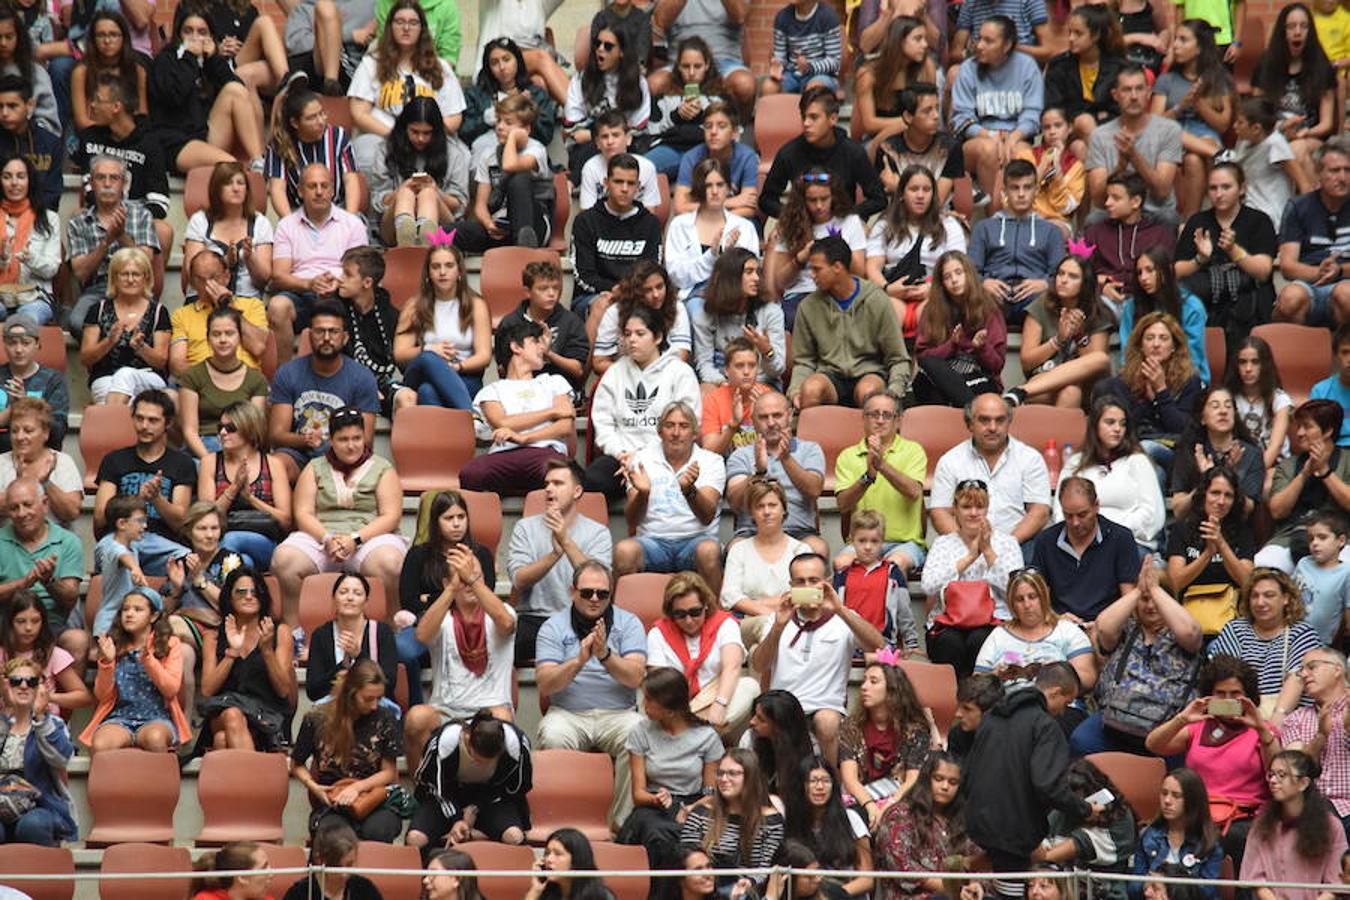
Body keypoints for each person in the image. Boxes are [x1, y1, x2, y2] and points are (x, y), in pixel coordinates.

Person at [270, 406, 407, 630]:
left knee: (390, 564)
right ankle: (295, 632)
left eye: (357, 438)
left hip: (368, 537)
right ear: (331, 440)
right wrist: (327, 539)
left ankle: (391, 628)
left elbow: (390, 516)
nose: (351, 445)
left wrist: (356, 539)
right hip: (322, 536)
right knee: (284, 560)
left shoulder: (383, 468)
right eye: (343, 439)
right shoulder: (314, 468)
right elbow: (303, 513)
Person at [964, 669, 1100, 889]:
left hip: (979, 825)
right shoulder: (1045, 726)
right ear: (1055, 692)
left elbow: (969, 773)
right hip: (1016, 831)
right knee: (1013, 893)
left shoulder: (991, 718)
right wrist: (1085, 809)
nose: (1064, 712)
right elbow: (1048, 785)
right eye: (1066, 703)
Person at [536, 560, 646, 830]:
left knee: (638, 733)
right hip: (568, 713)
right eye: (587, 593)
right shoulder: (553, 627)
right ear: (573, 591)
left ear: (611, 594)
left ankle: (622, 825)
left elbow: (635, 677)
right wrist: (578, 661)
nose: (595, 599)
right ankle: (563, 824)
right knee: (552, 734)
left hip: (619, 713)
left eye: (602, 593)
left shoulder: (628, 623)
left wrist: (605, 655)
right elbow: (546, 684)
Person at [400, 532, 516, 776]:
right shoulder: (441, 617)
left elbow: (506, 623)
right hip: (446, 710)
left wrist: (472, 580)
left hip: (491, 708)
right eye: (462, 580)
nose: (469, 583)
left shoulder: (501, 611)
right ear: (446, 584)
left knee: (503, 718)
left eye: (475, 577)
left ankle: (499, 796)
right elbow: (421, 636)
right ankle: (421, 790)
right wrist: (452, 589)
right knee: (416, 718)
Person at [752, 552, 886, 764]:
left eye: (813, 581)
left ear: (827, 582)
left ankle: (834, 784)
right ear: (791, 586)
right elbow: (759, 665)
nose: (807, 586)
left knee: (826, 721)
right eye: (800, 582)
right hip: (785, 708)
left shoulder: (843, 618)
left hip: (826, 710)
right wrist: (778, 626)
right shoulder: (777, 619)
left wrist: (840, 610)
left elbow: (879, 646)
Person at [1145, 654, 1276, 864]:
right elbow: (1154, 745)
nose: (1227, 700)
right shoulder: (1197, 726)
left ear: (1248, 696)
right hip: (1196, 813)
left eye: (1235, 694)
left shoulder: (1264, 731)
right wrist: (1182, 719)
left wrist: (1261, 729)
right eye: (1220, 694)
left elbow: (1277, 770)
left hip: (1243, 819)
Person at [1072, 558, 1203, 755]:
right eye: (1145, 599)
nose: (1150, 605)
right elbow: (1103, 627)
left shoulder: (1180, 632)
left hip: (1164, 724)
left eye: (1156, 599)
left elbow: (1191, 632)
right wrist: (1139, 590)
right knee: (1081, 741)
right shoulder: (1127, 628)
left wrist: (1155, 589)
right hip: (1115, 719)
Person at [584, 304, 701, 499]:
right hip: (621, 457)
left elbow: (689, 423)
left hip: (667, 456)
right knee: (588, 483)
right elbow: (603, 424)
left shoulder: (680, 372)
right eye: (628, 334)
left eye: (640, 334)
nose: (632, 340)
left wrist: (641, 458)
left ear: (657, 337)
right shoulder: (614, 372)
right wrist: (621, 454)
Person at [788, 236, 912, 410]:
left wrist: (894, 392)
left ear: (837, 267)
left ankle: (872, 437)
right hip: (829, 375)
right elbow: (804, 360)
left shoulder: (876, 299)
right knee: (811, 390)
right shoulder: (808, 306)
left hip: (869, 373)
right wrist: (795, 391)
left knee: (868, 391)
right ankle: (811, 438)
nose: (812, 275)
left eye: (817, 269)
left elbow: (898, 358)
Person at [508, 460, 613, 664]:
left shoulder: (598, 532)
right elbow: (519, 580)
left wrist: (566, 542)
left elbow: (599, 582)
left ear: (577, 491)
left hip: (581, 617)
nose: (548, 489)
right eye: (546, 484)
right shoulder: (525, 528)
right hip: (534, 619)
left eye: (558, 483)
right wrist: (553, 555)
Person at [616, 667, 722, 867]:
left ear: (670, 711)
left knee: (695, 832)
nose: (642, 704)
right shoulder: (641, 732)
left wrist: (691, 808)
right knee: (656, 833)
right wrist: (656, 798)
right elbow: (638, 794)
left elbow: (711, 793)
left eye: (648, 700)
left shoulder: (707, 737)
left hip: (695, 804)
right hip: (654, 805)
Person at [614, 401, 726, 590]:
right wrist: (643, 494)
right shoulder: (642, 459)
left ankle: (715, 616)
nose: (676, 433)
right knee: (624, 551)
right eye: (669, 425)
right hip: (653, 542)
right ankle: (619, 618)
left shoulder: (711, 461)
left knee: (709, 551)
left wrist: (689, 491)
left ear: (695, 433)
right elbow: (632, 520)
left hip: (695, 540)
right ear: (659, 432)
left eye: (683, 426)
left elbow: (707, 517)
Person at [267, 163, 369, 367]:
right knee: (277, 306)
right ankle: (284, 376)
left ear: (332, 189)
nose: (319, 192)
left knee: (363, 294)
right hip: (301, 293)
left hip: (341, 292)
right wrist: (309, 284)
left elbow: (361, 269)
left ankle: (354, 374)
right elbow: (279, 275)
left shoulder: (352, 224)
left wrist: (338, 283)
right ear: (300, 191)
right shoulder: (287, 225)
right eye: (312, 186)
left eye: (324, 186)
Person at [267, 301, 380, 483]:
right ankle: (285, 512)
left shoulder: (362, 377)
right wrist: (305, 440)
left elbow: (365, 440)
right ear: (310, 335)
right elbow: (276, 435)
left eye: (334, 332)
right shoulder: (288, 373)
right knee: (276, 464)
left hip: (344, 455)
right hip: (299, 455)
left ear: (345, 337)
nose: (326, 338)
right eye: (320, 331)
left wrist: (331, 445)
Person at [291, 659, 402, 841]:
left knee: (376, 831)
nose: (374, 705)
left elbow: (389, 772)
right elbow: (297, 764)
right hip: (334, 799)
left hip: (372, 798)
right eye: (368, 699)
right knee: (336, 838)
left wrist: (357, 788)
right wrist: (313, 786)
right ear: (351, 693)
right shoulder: (317, 718)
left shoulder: (385, 718)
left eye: (378, 698)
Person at [347, 0, 464, 171]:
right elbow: (358, 113)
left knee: (461, 154)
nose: (406, 28)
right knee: (366, 152)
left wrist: (425, 136)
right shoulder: (371, 64)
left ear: (422, 29)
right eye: (400, 22)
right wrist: (397, 136)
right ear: (390, 27)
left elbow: (454, 117)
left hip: (428, 139)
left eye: (413, 23)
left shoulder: (441, 67)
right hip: (383, 136)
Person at [922, 479, 1022, 676]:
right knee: (950, 643)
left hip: (994, 619)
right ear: (955, 510)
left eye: (979, 506)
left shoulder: (1007, 543)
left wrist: (988, 552)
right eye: (967, 507)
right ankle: (953, 702)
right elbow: (928, 586)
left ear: (987, 508)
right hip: (948, 621)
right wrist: (969, 558)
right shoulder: (943, 543)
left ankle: (979, 703)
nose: (973, 513)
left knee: (981, 641)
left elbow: (1017, 589)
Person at [458, 319, 572, 494]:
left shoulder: (554, 382)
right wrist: (552, 412)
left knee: (558, 473)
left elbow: (565, 426)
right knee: (471, 474)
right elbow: (502, 423)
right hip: (504, 454)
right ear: (516, 347)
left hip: (544, 451)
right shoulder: (492, 390)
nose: (542, 348)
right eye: (535, 342)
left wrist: (524, 438)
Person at [148, 6, 264, 174]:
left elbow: (238, 87)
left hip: (204, 134)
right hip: (175, 141)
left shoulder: (209, 63)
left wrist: (214, 60)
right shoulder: (165, 60)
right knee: (231, 166)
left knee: (234, 90)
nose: (195, 38)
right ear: (179, 35)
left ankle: (258, 161)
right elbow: (174, 96)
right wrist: (189, 58)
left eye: (202, 32)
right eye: (188, 31)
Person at [1093, 313, 1204, 484]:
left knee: (1148, 448)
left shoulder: (1190, 381)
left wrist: (1161, 393)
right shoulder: (1122, 383)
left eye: (1163, 338)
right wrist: (1147, 400)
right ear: (1141, 345)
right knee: (1154, 473)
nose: (1156, 344)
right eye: (1150, 338)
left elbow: (1183, 429)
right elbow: (1125, 428)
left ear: (1174, 346)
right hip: (1132, 453)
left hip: (1172, 452)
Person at [1174, 162, 1278, 343]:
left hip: (1248, 301)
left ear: (1242, 188)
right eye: (1213, 188)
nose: (1219, 194)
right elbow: (1176, 271)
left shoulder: (1258, 220)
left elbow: (1263, 271)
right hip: (1207, 300)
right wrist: (1200, 259)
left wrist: (1234, 251)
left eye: (1226, 187)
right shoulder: (1198, 221)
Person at [930, 393, 1052, 548]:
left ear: (1009, 422)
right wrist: (968, 545)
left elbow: (1039, 511)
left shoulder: (1030, 458)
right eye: (984, 420)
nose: (993, 427)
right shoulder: (950, 461)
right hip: (963, 545)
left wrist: (1008, 545)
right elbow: (940, 512)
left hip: (1019, 543)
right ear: (970, 424)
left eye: (1000, 420)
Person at [92, 389, 193, 575]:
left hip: (161, 544)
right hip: (121, 539)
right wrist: (138, 500)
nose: (144, 426)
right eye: (139, 418)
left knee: (189, 562)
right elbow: (100, 516)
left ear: (168, 423)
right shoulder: (114, 460)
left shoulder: (182, 463)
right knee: (117, 552)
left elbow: (181, 523)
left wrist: (156, 499)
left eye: (153, 420)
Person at [197, 566, 295, 753]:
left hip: (266, 713)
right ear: (229, 597)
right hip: (224, 711)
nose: (249, 596)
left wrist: (266, 650)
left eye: (255, 591)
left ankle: (244, 779)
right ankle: (255, 780)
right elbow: (208, 690)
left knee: (221, 740)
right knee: (233, 715)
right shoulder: (213, 637)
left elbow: (283, 689)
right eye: (241, 591)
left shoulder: (279, 632)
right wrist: (232, 652)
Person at [80, 589, 191, 754]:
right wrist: (107, 663)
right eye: (125, 609)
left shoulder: (170, 644)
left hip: (157, 716)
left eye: (138, 610)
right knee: (101, 744)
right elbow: (102, 695)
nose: (129, 614)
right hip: (120, 716)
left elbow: (171, 689)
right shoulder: (113, 645)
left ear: (153, 616)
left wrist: (149, 660)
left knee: (155, 739)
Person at [74, 73, 171, 261]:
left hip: (138, 220)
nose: (92, 105)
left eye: (97, 100)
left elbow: (160, 202)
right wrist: (109, 215)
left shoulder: (149, 143)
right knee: (78, 214)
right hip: (99, 213)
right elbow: (88, 188)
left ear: (116, 107)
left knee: (163, 230)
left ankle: (148, 288)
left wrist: (128, 219)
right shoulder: (89, 138)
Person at [408, 710, 532, 853]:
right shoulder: (443, 743)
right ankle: (430, 871)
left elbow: (517, 788)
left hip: (492, 798)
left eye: (490, 762)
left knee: (514, 836)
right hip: (446, 798)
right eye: (477, 759)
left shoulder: (518, 746)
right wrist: (457, 818)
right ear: (467, 739)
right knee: (415, 838)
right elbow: (428, 783)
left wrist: (476, 807)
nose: (483, 766)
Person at [865, 165, 966, 341]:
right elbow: (872, 266)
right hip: (893, 288)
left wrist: (933, 288)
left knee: (930, 311)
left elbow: (959, 266)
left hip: (935, 289)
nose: (920, 195)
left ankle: (924, 366)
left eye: (926, 190)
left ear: (933, 195)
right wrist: (888, 289)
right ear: (902, 194)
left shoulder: (949, 225)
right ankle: (894, 366)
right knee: (890, 311)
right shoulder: (884, 225)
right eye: (914, 189)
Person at [649, 572, 758, 734]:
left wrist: (720, 704)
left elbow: (732, 667)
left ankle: (691, 734)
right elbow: (659, 682)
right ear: (671, 612)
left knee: (749, 686)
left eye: (695, 612)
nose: (688, 621)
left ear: (706, 606)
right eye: (680, 614)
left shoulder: (725, 624)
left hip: (717, 698)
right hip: (676, 706)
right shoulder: (658, 633)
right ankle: (698, 733)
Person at [950, 17, 1043, 206]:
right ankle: (994, 221)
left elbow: (1032, 115)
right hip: (976, 142)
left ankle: (1019, 220)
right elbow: (961, 118)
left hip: (1016, 138)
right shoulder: (968, 68)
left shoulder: (1027, 66)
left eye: (989, 41)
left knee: (1023, 156)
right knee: (989, 150)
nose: (980, 45)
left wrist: (1013, 138)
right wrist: (991, 136)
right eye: (979, 39)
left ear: (1007, 44)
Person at [758, 87, 888, 222]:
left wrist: (848, 216)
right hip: (802, 228)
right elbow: (766, 200)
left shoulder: (853, 152)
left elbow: (879, 199)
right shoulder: (789, 153)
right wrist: (794, 217)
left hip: (842, 227)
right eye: (804, 117)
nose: (806, 123)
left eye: (813, 117)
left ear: (832, 118)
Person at [1209, 569, 1321, 724]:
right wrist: (1245, 721)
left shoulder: (1302, 632)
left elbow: (1297, 679)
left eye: (1269, 595)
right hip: (1236, 716)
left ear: (1286, 599)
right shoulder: (1235, 629)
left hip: (1289, 718)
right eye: (1255, 596)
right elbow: (1222, 677)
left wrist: (1275, 723)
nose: (1260, 602)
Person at [967, 159, 1069, 325]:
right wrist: (983, 283)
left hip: (1035, 296)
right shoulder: (984, 227)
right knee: (980, 300)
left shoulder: (1051, 231)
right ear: (1005, 191)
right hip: (995, 295)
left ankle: (1036, 349)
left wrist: (1045, 284)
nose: (1021, 194)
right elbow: (970, 270)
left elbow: (1061, 274)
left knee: (1047, 301)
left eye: (1027, 187)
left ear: (1036, 190)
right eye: (1015, 188)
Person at [724, 391, 827, 556]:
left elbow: (814, 490)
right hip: (752, 532)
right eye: (763, 417)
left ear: (790, 415)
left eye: (777, 415)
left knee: (817, 548)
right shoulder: (741, 455)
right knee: (735, 548)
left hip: (799, 532)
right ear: (753, 421)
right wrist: (758, 473)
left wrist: (786, 459)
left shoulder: (810, 449)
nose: (771, 423)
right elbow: (734, 501)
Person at [834, 391, 927, 572]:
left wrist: (881, 465)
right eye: (874, 414)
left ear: (898, 420)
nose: (880, 420)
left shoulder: (913, 451)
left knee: (893, 566)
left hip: (904, 545)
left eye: (887, 415)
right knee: (841, 563)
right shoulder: (847, 456)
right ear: (864, 418)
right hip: (861, 542)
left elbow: (914, 492)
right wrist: (868, 477)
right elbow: (843, 505)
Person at [391, 244, 490, 412]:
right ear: (428, 273)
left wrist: (456, 367)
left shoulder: (476, 305)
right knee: (428, 357)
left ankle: (444, 437)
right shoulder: (414, 306)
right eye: (436, 267)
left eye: (449, 266)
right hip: (421, 373)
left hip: (464, 376)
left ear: (459, 271)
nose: (442, 272)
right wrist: (429, 349)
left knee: (427, 392)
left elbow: (484, 356)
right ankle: (471, 416)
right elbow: (400, 354)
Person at [1005, 258, 1113, 411]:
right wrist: (1058, 340)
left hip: (1085, 386)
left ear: (1085, 283)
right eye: (1061, 274)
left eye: (1072, 276)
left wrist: (1079, 335)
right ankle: (1023, 393)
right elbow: (1027, 362)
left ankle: (1019, 392)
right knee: (1071, 391)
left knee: (1099, 360)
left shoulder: (1098, 313)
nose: (1063, 280)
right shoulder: (1041, 306)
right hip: (1042, 382)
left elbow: (1097, 365)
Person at [764, 168, 868, 328]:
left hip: (839, 291)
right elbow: (780, 281)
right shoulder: (790, 225)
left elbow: (859, 272)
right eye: (812, 200)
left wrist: (839, 250)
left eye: (824, 198)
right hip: (801, 294)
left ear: (833, 196)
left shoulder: (850, 222)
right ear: (803, 200)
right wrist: (800, 258)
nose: (819, 206)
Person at [1151, 20, 1234, 218]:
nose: (1176, 45)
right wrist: (1181, 107)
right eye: (1175, 39)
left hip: (1204, 133)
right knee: (1173, 131)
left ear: (1199, 48)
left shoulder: (1218, 78)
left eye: (1183, 40)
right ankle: (1219, 154)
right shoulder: (1166, 79)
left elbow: (1223, 124)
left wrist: (1199, 104)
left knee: (1193, 160)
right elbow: (1154, 123)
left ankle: (1189, 222)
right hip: (1172, 134)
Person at [194, 401, 291, 572]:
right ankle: (229, 593)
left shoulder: (273, 464)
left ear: (249, 428)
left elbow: (285, 521)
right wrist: (233, 489)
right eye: (220, 427)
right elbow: (205, 518)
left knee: (232, 541)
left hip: (264, 542)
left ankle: (212, 590)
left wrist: (250, 498)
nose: (223, 433)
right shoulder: (210, 462)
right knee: (244, 563)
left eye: (230, 428)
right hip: (220, 540)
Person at [1029, 476, 1141, 622]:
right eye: (1068, 516)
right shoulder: (1046, 541)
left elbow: (1129, 598)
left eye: (1082, 515)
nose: (1075, 522)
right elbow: (1038, 596)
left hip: (1109, 624)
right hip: (1060, 624)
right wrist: (1056, 618)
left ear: (1096, 506)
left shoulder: (1120, 538)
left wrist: (1105, 622)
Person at [1085, 65, 1184, 225]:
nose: (1133, 96)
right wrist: (1120, 168)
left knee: (1169, 218)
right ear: (1115, 95)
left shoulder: (1169, 130)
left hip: (1155, 212)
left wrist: (1134, 156)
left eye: (1139, 89)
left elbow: (1162, 191)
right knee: (1094, 220)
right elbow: (1097, 199)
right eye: (1126, 90)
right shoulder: (1099, 135)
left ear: (1148, 93)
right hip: (1114, 213)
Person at [1242, 750, 1349, 898]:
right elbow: (1256, 880)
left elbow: (1336, 884)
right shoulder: (1262, 824)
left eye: (1282, 775)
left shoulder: (1331, 826)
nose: (1273, 780)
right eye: (1271, 774)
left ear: (1303, 783)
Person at [457, 93, 555, 254]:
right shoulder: (488, 155)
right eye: (498, 121)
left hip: (534, 227)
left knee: (519, 177)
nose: (500, 127)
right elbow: (480, 206)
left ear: (526, 129)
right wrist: (489, 225)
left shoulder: (536, 150)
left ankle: (525, 252)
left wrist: (514, 138)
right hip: (501, 227)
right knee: (448, 232)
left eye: (508, 122)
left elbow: (510, 165)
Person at [679, 748, 786, 895]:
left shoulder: (770, 820)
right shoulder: (701, 813)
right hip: (706, 889)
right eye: (720, 773)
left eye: (733, 773)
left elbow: (767, 867)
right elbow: (687, 859)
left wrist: (749, 882)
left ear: (750, 777)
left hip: (749, 890)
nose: (723, 779)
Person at [1260, 399, 1350, 573]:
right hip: (1291, 537)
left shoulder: (1348, 461)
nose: (1299, 433)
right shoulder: (1288, 465)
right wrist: (1304, 474)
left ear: (1328, 431)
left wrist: (1324, 472)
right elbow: (1277, 510)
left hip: (1340, 540)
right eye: (1298, 427)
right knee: (1264, 565)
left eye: (1307, 426)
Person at [873, 752, 978, 900]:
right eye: (938, 779)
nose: (945, 786)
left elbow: (977, 858)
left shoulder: (961, 818)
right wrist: (953, 890)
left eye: (953, 782)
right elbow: (903, 868)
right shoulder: (899, 815)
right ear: (926, 779)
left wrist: (975, 885)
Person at [1165, 467, 1257, 636]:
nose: (1221, 501)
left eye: (1228, 495)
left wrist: (1221, 544)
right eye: (1215, 493)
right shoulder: (1182, 530)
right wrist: (1207, 554)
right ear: (1203, 495)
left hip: (1231, 622)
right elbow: (1175, 582)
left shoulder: (1243, 532)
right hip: (1189, 618)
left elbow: (1247, 582)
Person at [837, 661, 934, 821]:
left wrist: (890, 805)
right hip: (861, 796)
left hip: (900, 795)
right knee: (852, 817)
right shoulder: (850, 726)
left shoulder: (915, 730)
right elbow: (850, 779)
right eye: (864, 680)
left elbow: (912, 779)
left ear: (892, 690)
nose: (864, 687)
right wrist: (870, 806)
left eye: (873, 681)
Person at [1254, 4, 1338, 184]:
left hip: (1311, 136)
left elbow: (1327, 124)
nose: (1297, 32)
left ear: (1311, 31)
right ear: (1282, 32)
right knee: (1287, 149)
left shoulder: (1322, 68)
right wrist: (1281, 128)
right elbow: (1256, 111)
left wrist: (1303, 134)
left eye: (1303, 26)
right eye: (1291, 27)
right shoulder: (1266, 65)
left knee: (1296, 149)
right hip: (1275, 133)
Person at [368, 97, 469, 248]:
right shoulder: (385, 150)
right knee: (406, 193)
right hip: (391, 228)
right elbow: (378, 203)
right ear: (404, 128)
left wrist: (435, 190)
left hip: (442, 228)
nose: (421, 138)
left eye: (427, 133)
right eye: (414, 132)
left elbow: (459, 205)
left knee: (427, 193)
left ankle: (425, 239)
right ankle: (407, 237)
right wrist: (402, 189)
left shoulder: (454, 153)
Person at [570, 154, 663, 317]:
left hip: (638, 294)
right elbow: (583, 275)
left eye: (631, 183)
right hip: (594, 295)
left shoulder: (651, 224)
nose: (625, 189)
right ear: (606, 183)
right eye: (618, 182)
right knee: (604, 306)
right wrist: (614, 290)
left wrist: (627, 292)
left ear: (639, 187)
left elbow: (652, 270)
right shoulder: (585, 221)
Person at [974, 567, 1098, 688]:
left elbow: (1088, 678)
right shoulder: (999, 635)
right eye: (1019, 599)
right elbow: (976, 682)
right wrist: (996, 676)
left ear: (1044, 597)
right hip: (1008, 703)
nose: (1027, 605)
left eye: (1032, 597)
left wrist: (1057, 675)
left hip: (1056, 704)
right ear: (1012, 604)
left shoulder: (1067, 631)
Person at [1273, 138, 1350, 327]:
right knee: (1290, 298)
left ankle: (1343, 353)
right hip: (1309, 283)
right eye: (1334, 171)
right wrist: (1320, 272)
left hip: (1346, 281)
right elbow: (1288, 266)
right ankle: (1296, 355)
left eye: (1348, 170)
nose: (1343, 178)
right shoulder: (1298, 207)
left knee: (1346, 295)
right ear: (1318, 173)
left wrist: (1339, 271)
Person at [1037, 759, 1140, 899]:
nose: (1080, 808)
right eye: (1074, 801)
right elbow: (1042, 855)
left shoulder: (1120, 818)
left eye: (1083, 799)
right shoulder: (1061, 813)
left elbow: (1075, 846)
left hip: (1106, 893)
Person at [915, 251, 1008, 407]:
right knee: (923, 378)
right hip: (942, 372)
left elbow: (997, 365)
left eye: (959, 273)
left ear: (969, 274)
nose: (954, 280)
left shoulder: (989, 308)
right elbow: (923, 357)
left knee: (939, 396)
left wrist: (981, 348)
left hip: (978, 374)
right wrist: (951, 345)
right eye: (947, 277)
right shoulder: (932, 310)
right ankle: (971, 411)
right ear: (941, 283)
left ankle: (971, 411)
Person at [78, 246, 169, 405]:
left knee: (125, 374)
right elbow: (86, 358)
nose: (130, 279)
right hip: (106, 377)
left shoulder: (158, 312)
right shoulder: (98, 310)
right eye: (124, 274)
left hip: (147, 378)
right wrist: (109, 341)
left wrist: (141, 347)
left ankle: (110, 422)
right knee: (125, 401)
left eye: (136, 274)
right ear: (114, 278)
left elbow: (161, 361)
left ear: (146, 278)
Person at [177, 307, 269, 461]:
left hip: (241, 448)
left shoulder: (256, 379)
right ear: (208, 339)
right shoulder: (192, 376)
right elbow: (189, 431)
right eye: (216, 334)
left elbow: (254, 430)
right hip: (201, 449)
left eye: (229, 333)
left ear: (240, 337)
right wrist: (209, 462)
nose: (223, 340)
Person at [666, 159, 759, 306]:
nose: (715, 191)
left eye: (720, 185)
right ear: (698, 188)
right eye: (708, 185)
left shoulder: (744, 227)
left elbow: (750, 274)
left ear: (728, 188)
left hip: (734, 296)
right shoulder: (679, 225)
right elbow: (677, 276)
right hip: (691, 298)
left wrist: (730, 258)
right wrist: (711, 256)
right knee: (697, 312)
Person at [561, 26, 648, 183]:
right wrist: (597, 137)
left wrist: (605, 136)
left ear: (621, 52)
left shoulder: (638, 82)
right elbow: (571, 127)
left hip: (625, 143)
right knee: (593, 148)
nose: (600, 49)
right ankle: (571, 184)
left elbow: (640, 127)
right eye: (597, 44)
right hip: (587, 146)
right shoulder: (581, 79)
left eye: (608, 46)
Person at [265, 85, 362, 219]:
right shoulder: (279, 144)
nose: (321, 121)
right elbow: (277, 189)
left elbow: (351, 180)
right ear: (295, 123)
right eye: (312, 118)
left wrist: (350, 220)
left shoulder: (338, 136)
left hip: (339, 209)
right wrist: (291, 226)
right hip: (298, 213)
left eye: (322, 113)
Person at [495, 260, 589, 398]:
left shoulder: (571, 322)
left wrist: (548, 354)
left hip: (560, 391)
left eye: (556, 288)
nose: (551, 294)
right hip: (519, 390)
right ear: (528, 292)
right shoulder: (510, 323)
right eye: (543, 288)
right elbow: (503, 368)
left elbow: (578, 370)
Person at [1117, 247, 1208, 387]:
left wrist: (1161, 381)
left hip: (1185, 379)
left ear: (1166, 271)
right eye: (1139, 273)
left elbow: (1192, 358)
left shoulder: (1191, 307)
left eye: (1150, 270)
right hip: (1140, 378)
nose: (1143, 278)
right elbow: (1127, 354)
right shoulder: (1131, 307)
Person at [1170, 387, 1265, 520]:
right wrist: (1205, 481)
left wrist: (1231, 475)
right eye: (1215, 406)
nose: (1223, 411)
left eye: (1228, 406)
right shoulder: (1191, 450)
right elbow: (1179, 511)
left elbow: (1247, 510)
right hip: (1195, 527)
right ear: (1202, 418)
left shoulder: (1251, 454)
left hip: (1234, 530)